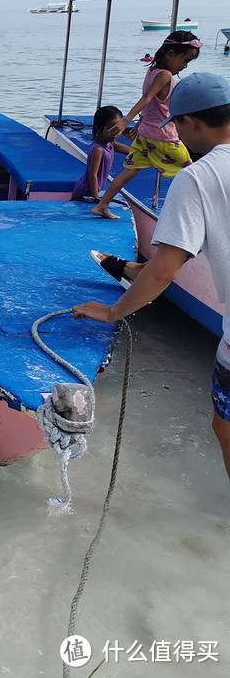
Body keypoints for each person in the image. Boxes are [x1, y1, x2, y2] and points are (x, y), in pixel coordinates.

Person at [73, 72, 230, 480]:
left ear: (191, 122)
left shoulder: (199, 176)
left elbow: (163, 270)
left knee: (226, 425)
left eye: (176, 125)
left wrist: (114, 311)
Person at [91, 31, 202, 219]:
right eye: (185, 60)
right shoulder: (165, 75)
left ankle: (102, 204)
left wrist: (140, 121)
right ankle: (200, 211)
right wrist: (126, 120)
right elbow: (147, 98)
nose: (184, 66)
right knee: (192, 171)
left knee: (130, 171)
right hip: (164, 137)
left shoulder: (152, 71)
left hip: (145, 135)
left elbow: (151, 104)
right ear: (170, 54)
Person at [70, 105, 133, 201]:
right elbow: (93, 175)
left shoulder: (110, 143)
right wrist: (96, 198)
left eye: (117, 129)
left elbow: (128, 150)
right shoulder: (98, 150)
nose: (114, 133)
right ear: (98, 129)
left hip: (94, 190)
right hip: (86, 192)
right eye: (110, 129)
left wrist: (140, 152)